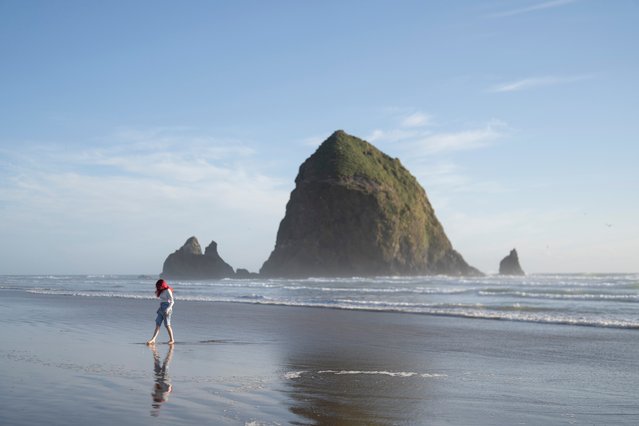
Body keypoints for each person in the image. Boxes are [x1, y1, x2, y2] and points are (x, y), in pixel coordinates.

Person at [147, 279, 175, 345]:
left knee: (167, 325)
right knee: (158, 323)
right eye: (158, 287)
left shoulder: (168, 290)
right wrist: (157, 292)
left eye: (159, 286)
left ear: (163, 285)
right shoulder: (161, 291)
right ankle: (153, 339)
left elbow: (172, 301)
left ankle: (172, 339)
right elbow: (161, 298)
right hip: (161, 308)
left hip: (167, 308)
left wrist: (168, 309)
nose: (158, 288)